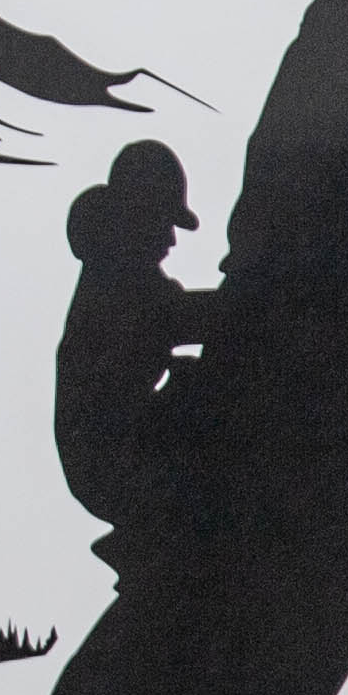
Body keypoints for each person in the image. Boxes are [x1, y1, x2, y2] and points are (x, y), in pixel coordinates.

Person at [53, 140, 210, 565]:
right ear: (140, 217)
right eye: (165, 221)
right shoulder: (121, 285)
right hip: (113, 459)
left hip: (110, 452)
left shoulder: (118, 278)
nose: (172, 239)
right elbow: (189, 317)